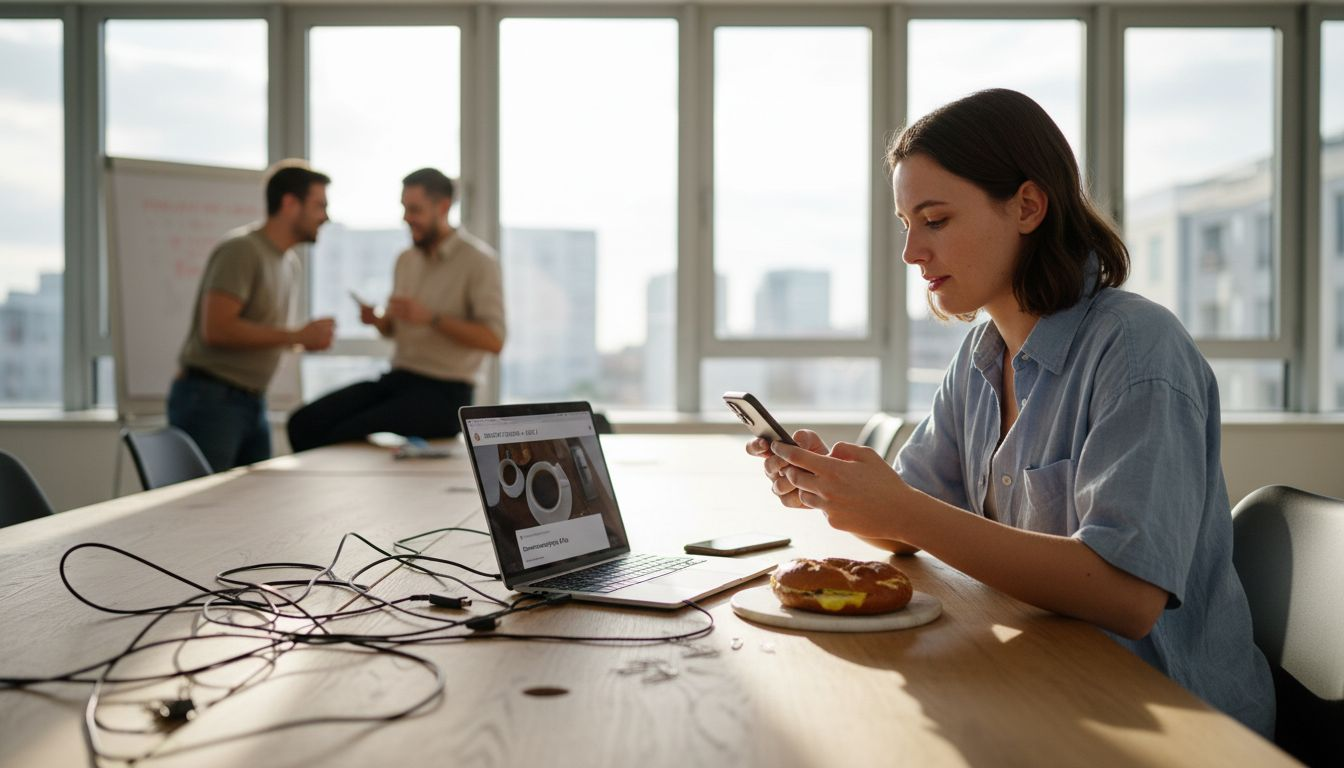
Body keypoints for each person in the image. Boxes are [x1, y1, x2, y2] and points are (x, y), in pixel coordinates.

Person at [748, 89, 1274, 736]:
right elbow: (911, 521)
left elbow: (1127, 597)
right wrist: (838, 488)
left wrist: (901, 509)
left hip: (1168, 720)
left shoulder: (1138, 350)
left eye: (935, 220)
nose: (912, 253)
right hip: (1050, 682)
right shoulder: (981, 350)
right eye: (905, 225)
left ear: (1027, 207)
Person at [286, 168, 505, 451]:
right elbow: (393, 329)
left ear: (443, 207)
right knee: (305, 423)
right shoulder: (406, 259)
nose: (406, 218)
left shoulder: (479, 262)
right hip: (399, 380)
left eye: (415, 210)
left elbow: (494, 340)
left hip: (446, 394)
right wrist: (377, 321)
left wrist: (432, 319)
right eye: (404, 208)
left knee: (341, 433)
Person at [169, 162, 335, 472]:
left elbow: (262, 332)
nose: (326, 216)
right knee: (205, 508)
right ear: (289, 203)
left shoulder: (289, 263)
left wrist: (303, 342)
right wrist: (297, 336)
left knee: (252, 505)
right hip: (212, 400)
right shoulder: (242, 250)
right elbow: (217, 330)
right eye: (319, 205)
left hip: (251, 401)